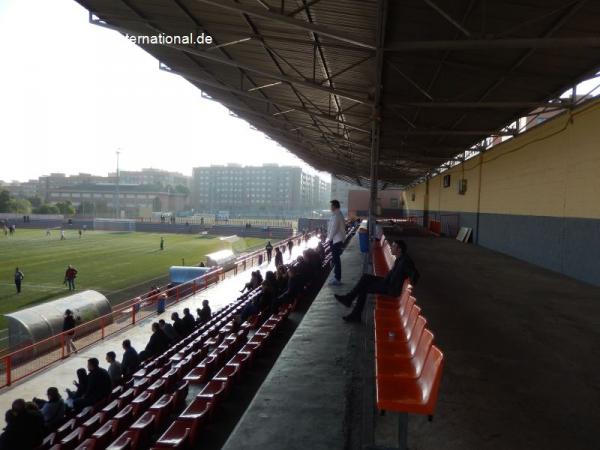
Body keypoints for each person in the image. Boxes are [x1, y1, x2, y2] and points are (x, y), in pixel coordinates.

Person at [334, 240, 419, 323]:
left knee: (364, 289)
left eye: (393, 246)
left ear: (399, 250)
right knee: (365, 277)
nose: (391, 248)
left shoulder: (405, 261)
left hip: (391, 288)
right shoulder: (400, 258)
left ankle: (355, 314)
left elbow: (415, 274)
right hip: (387, 281)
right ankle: (349, 298)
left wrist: (410, 286)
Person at [327, 199, 346, 286]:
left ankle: (337, 278)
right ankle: (336, 276)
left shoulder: (337, 215)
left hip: (336, 240)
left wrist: (329, 239)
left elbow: (334, 229)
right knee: (335, 259)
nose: (330, 207)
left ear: (334, 206)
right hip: (336, 240)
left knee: (336, 259)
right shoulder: (336, 214)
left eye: (331, 205)